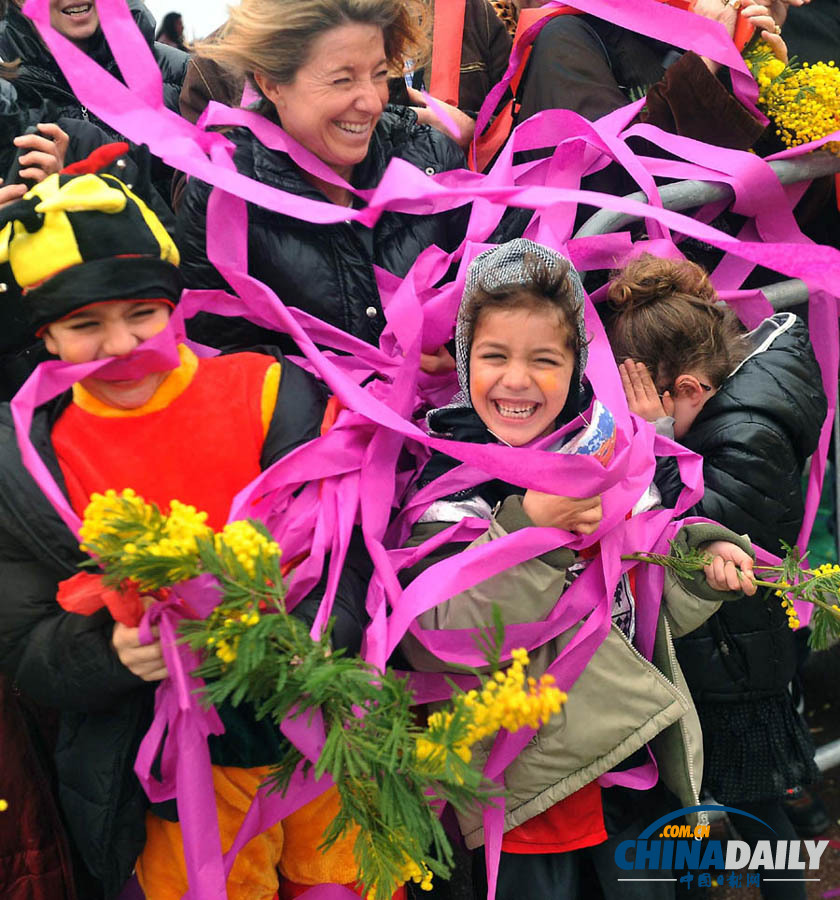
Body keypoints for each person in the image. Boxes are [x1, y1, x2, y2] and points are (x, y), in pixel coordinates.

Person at [0, 159, 371, 900]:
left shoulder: (268, 393)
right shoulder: (31, 461)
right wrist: (110, 654)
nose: (122, 344)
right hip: (166, 779)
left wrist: (303, 637)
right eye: (84, 326)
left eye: (142, 314)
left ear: (176, 307)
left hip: (315, 740)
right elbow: (23, 642)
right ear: (45, 338)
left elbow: (346, 560)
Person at [399, 239, 758, 900]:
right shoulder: (445, 484)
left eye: (544, 359)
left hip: (630, 765)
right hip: (526, 796)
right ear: (462, 360)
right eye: (493, 356)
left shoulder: (604, 452)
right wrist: (526, 527)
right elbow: (437, 637)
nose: (516, 380)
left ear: (576, 365)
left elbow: (649, 598)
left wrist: (701, 559)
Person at [607, 253, 827, 899]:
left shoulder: (750, 433)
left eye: (641, 406)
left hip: (737, 665)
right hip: (716, 652)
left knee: (759, 813)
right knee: (705, 817)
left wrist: (652, 445)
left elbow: (698, 527)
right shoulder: (732, 411)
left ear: (689, 392)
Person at [176, 0, 469, 374]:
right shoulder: (224, 195)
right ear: (272, 84)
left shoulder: (429, 157)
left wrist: (469, 350)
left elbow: (503, 288)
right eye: (342, 80)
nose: (371, 101)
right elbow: (223, 362)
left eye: (379, 74)